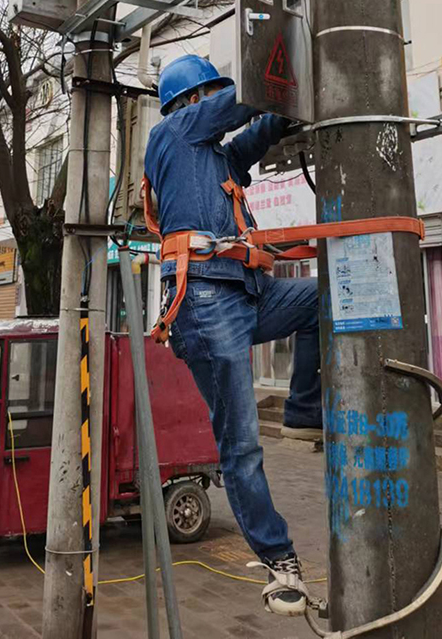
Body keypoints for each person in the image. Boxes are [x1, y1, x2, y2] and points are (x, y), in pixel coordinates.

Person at [143, 53, 321, 618]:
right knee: (240, 445)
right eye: (208, 96)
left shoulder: (213, 157)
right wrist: (289, 57)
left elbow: (255, 134)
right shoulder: (173, 132)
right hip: (203, 301)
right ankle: (278, 559)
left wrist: (289, 114)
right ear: (190, 103)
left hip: (244, 291)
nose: (214, 106)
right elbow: (247, 100)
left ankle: (304, 405)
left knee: (326, 300)